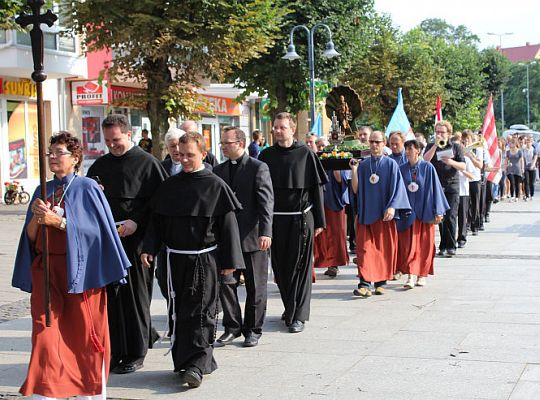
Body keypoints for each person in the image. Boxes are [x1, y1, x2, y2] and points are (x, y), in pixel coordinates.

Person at [13, 132, 130, 399]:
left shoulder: (87, 187)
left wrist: (61, 223)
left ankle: (88, 391)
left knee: (84, 335)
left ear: (75, 158)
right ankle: (47, 391)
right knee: (45, 334)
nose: (53, 157)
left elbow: (100, 234)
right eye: (50, 153)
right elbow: (30, 237)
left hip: (81, 272)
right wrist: (37, 217)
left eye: (59, 152)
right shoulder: (41, 190)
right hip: (48, 271)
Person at [141, 132, 245, 388]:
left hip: (204, 259)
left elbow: (228, 226)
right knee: (179, 312)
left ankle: (197, 364)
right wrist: (149, 248)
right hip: (175, 260)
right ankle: (185, 361)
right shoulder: (170, 186)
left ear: (203, 154)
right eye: (181, 154)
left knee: (202, 312)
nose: (185, 159)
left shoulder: (216, 185)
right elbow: (157, 222)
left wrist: (230, 261)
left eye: (191, 155)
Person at [87, 114, 167, 374]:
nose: (112, 145)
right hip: (109, 239)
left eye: (117, 140)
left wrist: (136, 222)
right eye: (108, 140)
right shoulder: (100, 165)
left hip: (137, 239)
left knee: (135, 296)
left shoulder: (148, 164)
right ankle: (117, 348)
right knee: (112, 297)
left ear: (129, 135)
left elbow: (158, 203)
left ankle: (136, 351)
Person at [259, 112, 327, 333]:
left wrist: (320, 221)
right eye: (275, 127)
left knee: (300, 268)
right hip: (275, 220)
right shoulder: (266, 155)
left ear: (292, 129)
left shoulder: (305, 154)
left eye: (282, 127)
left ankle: (299, 315)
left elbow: (316, 190)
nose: (278, 131)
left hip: (301, 219)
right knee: (280, 268)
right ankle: (290, 307)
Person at [213, 126, 274, 348]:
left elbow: (266, 202)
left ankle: (253, 329)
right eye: (222, 143)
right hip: (227, 238)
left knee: (255, 286)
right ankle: (232, 326)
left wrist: (266, 231)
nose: (222, 147)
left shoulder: (258, 168)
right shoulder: (218, 170)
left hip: (252, 236)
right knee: (226, 283)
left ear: (239, 143)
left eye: (226, 143)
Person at [350, 130, 411, 297]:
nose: (374, 145)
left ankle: (380, 282)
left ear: (384, 144)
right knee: (364, 250)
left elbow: (398, 188)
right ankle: (364, 284)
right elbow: (355, 189)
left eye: (378, 142)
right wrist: (354, 170)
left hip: (384, 215)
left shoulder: (391, 164)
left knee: (383, 250)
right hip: (366, 214)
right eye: (372, 142)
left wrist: (392, 207)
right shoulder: (363, 165)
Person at [396, 140, 449, 288]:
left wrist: (438, 210)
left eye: (411, 149)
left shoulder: (427, 167)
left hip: (424, 211)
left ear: (418, 150)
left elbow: (436, 189)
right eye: (406, 149)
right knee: (408, 245)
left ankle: (422, 274)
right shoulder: (401, 169)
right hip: (408, 212)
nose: (407, 152)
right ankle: (410, 275)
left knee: (424, 245)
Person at [423, 120, 465, 257]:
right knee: (440, 216)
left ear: (449, 133)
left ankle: (451, 245)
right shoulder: (431, 145)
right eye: (437, 132)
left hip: (452, 184)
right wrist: (435, 146)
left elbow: (463, 166)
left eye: (442, 132)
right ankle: (442, 245)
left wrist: (451, 162)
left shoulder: (456, 147)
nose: (440, 134)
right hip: (436, 185)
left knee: (451, 216)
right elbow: (425, 161)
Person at [314, 169, 349, 278]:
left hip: (333, 197)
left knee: (335, 233)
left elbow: (341, 180)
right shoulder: (309, 156)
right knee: (316, 235)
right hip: (314, 200)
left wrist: (335, 167)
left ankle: (334, 264)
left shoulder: (335, 156)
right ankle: (314, 262)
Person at [462, 131, 483, 236]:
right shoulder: (460, 149)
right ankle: (467, 223)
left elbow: (480, 165)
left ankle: (475, 225)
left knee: (475, 203)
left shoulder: (477, 149)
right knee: (466, 203)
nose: (466, 141)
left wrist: (470, 155)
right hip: (464, 179)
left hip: (475, 179)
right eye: (464, 139)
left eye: (468, 139)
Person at [505, 138, 524, 202]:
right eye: (510, 143)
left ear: (515, 144)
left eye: (512, 143)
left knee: (517, 183)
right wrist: (505, 168)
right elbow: (506, 161)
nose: (511, 144)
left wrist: (522, 169)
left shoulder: (519, 151)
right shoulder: (508, 152)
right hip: (510, 169)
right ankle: (512, 196)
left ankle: (516, 196)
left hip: (517, 169)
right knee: (512, 182)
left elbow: (522, 160)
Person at [523, 136, 537, 200]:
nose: (528, 143)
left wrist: (532, 165)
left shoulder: (534, 149)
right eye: (527, 142)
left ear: (531, 143)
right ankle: (527, 195)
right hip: (526, 168)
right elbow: (522, 159)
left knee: (532, 183)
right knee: (526, 182)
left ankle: (532, 194)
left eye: (529, 142)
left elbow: (535, 158)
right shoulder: (524, 150)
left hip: (532, 168)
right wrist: (522, 167)